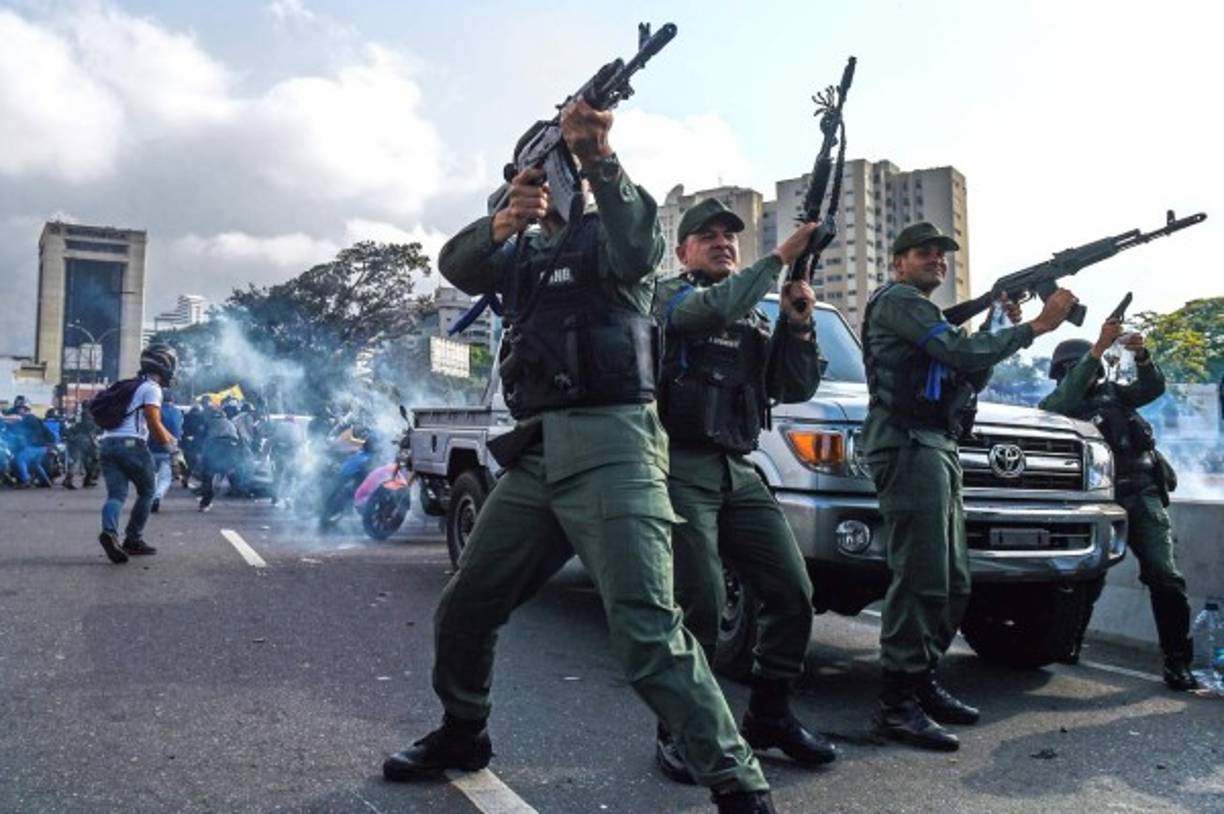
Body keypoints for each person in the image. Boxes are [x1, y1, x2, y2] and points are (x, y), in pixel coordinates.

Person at [382, 99, 776, 813]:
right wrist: (504, 219)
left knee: (648, 630)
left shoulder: (612, 237)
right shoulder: (520, 254)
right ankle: (463, 731)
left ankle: (739, 785)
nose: (549, 188)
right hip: (538, 453)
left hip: (615, 446)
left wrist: (597, 155)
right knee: (467, 605)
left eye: (554, 173)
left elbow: (639, 246)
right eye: (535, 175)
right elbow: (458, 264)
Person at [861, 222, 1078, 751]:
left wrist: (997, 322)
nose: (936, 259)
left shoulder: (929, 315)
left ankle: (921, 682)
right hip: (908, 444)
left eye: (941, 253)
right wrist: (1037, 328)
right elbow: (960, 354)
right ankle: (897, 703)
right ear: (898, 263)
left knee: (954, 579)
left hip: (937, 445)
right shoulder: (898, 301)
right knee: (921, 575)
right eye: (922, 252)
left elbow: (969, 372)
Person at [649, 198, 833, 782]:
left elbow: (791, 386)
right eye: (707, 236)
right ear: (682, 251)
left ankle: (771, 715)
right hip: (680, 466)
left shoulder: (755, 312)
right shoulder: (669, 297)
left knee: (791, 592)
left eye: (731, 235)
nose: (723, 242)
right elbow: (703, 314)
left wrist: (800, 323)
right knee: (698, 602)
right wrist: (781, 258)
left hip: (738, 467)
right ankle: (681, 730)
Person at [1039, 320, 1198, 690]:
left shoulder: (1116, 394)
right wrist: (1095, 350)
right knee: (1083, 576)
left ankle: (1177, 660)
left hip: (1140, 490)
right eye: (1080, 367)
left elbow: (1152, 386)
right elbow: (1059, 401)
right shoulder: (1058, 406)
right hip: (1097, 497)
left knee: (1165, 576)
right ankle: (1070, 641)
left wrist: (1141, 355)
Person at [97, 344, 178, 564]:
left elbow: (150, 420)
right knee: (148, 491)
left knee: (116, 495)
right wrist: (170, 449)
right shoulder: (152, 388)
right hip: (132, 445)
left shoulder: (130, 386)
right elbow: (153, 420)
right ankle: (133, 539)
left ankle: (110, 533)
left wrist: (172, 439)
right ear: (165, 365)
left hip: (107, 444)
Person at [197, 406, 243, 512]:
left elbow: (201, 438)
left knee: (207, 474)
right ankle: (237, 487)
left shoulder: (208, 423)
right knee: (230, 469)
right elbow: (240, 440)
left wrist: (200, 454)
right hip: (231, 447)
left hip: (215, 445)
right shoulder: (231, 423)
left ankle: (205, 503)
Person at [150, 390, 184, 513]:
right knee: (165, 478)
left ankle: (151, 497)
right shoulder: (178, 412)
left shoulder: (154, 410)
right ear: (173, 399)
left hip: (152, 447)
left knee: (152, 475)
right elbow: (180, 431)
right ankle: (158, 496)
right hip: (170, 449)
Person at [13, 410, 55, 487]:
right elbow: (50, 435)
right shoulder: (39, 421)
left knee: (20, 458)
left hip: (34, 447)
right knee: (35, 464)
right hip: (42, 448)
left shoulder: (26, 420)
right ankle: (46, 481)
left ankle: (26, 480)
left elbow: (17, 429)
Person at [63, 407, 101, 489]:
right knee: (93, 460)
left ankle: (69, 479)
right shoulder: (91, 421)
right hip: (87, 443)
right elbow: (98, 430)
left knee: (76, 461)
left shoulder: (77, 421)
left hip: (76, 442)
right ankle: (87, 479)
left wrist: (71, 438)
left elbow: (68, 430)